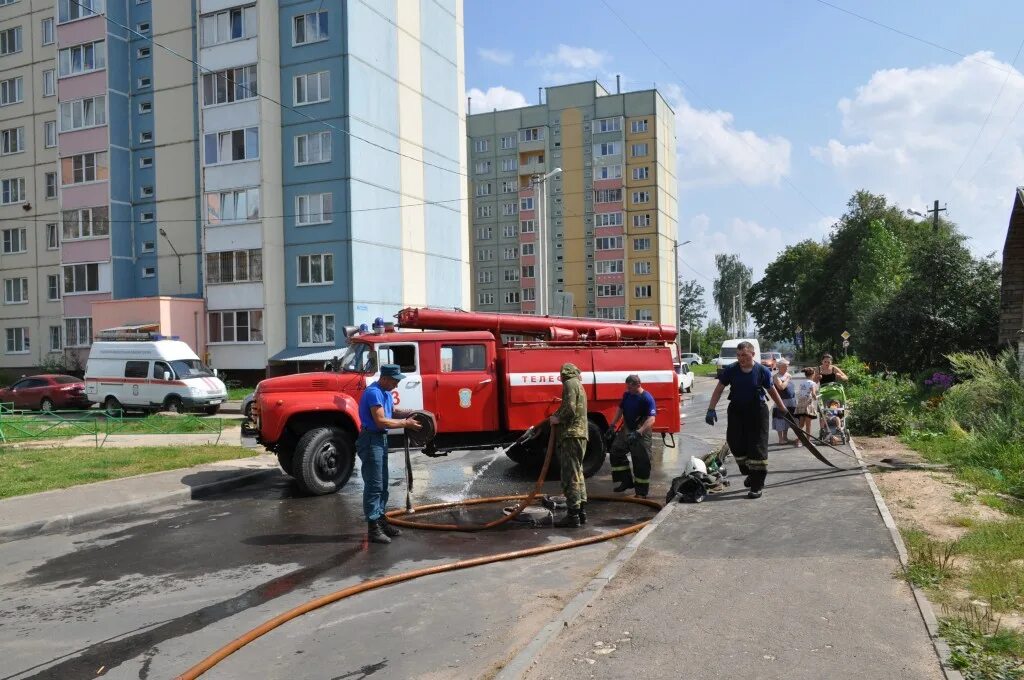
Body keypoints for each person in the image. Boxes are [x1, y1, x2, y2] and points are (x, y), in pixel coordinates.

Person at [705, 341, 789, 499]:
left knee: (757, 448)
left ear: (752, 354)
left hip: (757, 412)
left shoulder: (762, 371)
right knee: (735, 443)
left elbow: (772, 391)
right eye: (738, 355)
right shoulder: (731, 370)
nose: (740, 358)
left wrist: (782, 408)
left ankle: (756, 485)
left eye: (743, 355)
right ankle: (751, 473)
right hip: (737, 411)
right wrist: (711, 409)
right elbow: (719, 389)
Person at [357, 364, 422, 545]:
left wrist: (413, 413)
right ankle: (373, 528)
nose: (396, 385)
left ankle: (381, 520)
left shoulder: (385, 392)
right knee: (374, 485)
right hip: (371, 440)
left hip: (380, 440)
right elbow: (380, 421)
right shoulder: (373, 393)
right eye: (395, 381)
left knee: (383, 484)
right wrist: (405, 423)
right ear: (384, 378)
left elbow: (392, 412)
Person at [548, 362, 589, 528]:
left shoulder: (569, 383)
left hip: (571, 434)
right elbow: (568, 406)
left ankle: (572, 515)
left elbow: (570, 409)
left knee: (569, 475)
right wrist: (555, 414)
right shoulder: (578, 383)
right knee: (578, 472)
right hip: (580, 434)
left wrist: (558, 418)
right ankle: (581, 511)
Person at [608, 374, 657, 498]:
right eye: (627, 387)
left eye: (630, 388)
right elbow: (620, 409)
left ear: (638, 385)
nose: (628, 390)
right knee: (616, 451)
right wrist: (612, 425)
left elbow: (651, 419)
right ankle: (626, 481)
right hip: (627, 429)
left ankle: (641, 492)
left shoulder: (647, 398)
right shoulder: (627, 395)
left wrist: (639, 432)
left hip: (641, 431)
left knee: (641, 461)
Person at [771, 358, 796, 445]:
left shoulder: (788, 375)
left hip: (790, 400)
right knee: (780, 419)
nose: (787, 368)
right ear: (779, 367)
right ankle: (781, 439)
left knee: (788, 419)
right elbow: (781, 387)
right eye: (785, 366)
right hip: (781, 401)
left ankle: (785, 437)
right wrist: (787, 379)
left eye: (787, 366)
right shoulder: (776, 376)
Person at [794, 366, 818, 438]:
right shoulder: (813, 383)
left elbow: (800, 393)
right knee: (808, 425)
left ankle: (799, 441)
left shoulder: (802, 383)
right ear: (813, 374)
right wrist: (816, 398)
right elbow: (813, 394)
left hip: (801, 404)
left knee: (801, 425)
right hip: (808, 404)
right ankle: (808, 441)